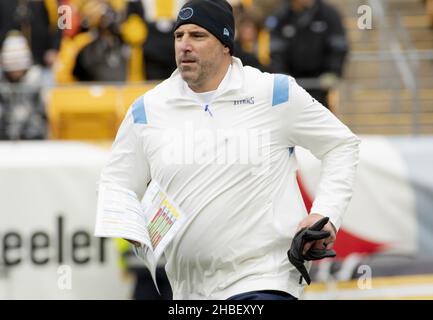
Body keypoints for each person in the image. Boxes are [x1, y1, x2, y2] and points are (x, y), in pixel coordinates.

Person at [96, 0, 360, 300]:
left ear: (225, 44)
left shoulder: (273, 93)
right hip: (188, 289)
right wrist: (129, 225)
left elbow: (341, 144)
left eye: (197, 36)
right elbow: (116, 185)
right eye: (178, 36)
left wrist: (326, 214)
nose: (184, 45)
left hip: (265, 279)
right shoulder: (147, 109)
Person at [268, 0, 349, 110]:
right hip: (290, 85)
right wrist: (281, 76)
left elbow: (338, 46)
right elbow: (276, 51)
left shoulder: (328, 14)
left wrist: (333, 72)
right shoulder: (281, 16)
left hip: (320, 85)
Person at [0, 31, 47, 140]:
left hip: (32, 136)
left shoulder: (36, 78)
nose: (16, 71)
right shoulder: (2, 79)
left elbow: (40, 113)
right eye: (12, 69)